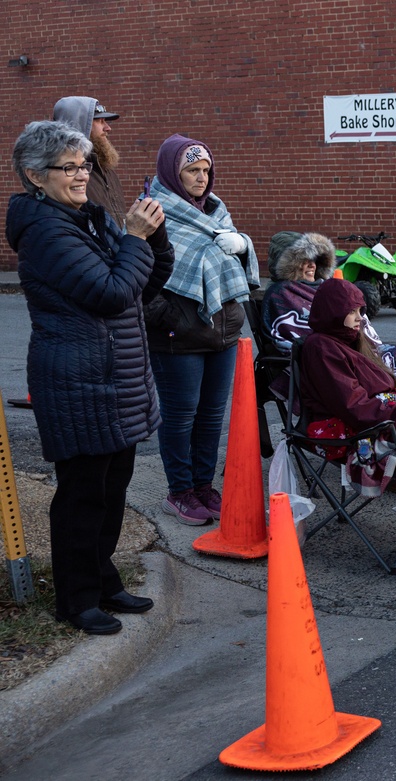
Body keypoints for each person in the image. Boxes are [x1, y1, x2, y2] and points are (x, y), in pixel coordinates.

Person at [7, 120, 174, 634]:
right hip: (78, 381)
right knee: (83, 497)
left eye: (84, 165)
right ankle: (76, 600)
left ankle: (103, 581)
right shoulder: (44, 231)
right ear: (36, 176)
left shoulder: (89, 218)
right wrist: (135, 239)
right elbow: (108, 293)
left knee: (113, 487)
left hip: (114, 375)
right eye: (69, 167)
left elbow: (144, 284)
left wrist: (154, 233)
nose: (82, 176)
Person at [297, 277, 396, 577]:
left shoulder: (348, 339)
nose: (359, 319)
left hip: (379, 422)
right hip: (352, 435)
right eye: (353, 311)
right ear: (332, 311)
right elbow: (352, 405)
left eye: (361, 311)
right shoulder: (321, 347)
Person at [144, 134, 260, 525]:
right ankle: (179, 492)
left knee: (212, 416)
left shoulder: (215, 211)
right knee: (181, 416)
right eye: (192, 170)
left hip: (222, 333)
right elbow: (140, 280)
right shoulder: (151, 214)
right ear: (172, 173)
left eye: (206, 170)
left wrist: (243, 244)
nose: (201, 178)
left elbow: (232, 262)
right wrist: (170, 317)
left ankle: (203, 486)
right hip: (179, 337)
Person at [261, 231, 396, 398]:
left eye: (314, 259)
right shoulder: (282, 294)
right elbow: (298, 338)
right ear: (288, 264)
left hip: (354, 352)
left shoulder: (321, 286)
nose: (312, 265)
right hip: (331, 361)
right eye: (303, 260)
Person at [52, 96, 127, 229]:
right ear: (79, 124)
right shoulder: (65, 175)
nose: (107, 128)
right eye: (100, 121)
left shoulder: (106, 169)